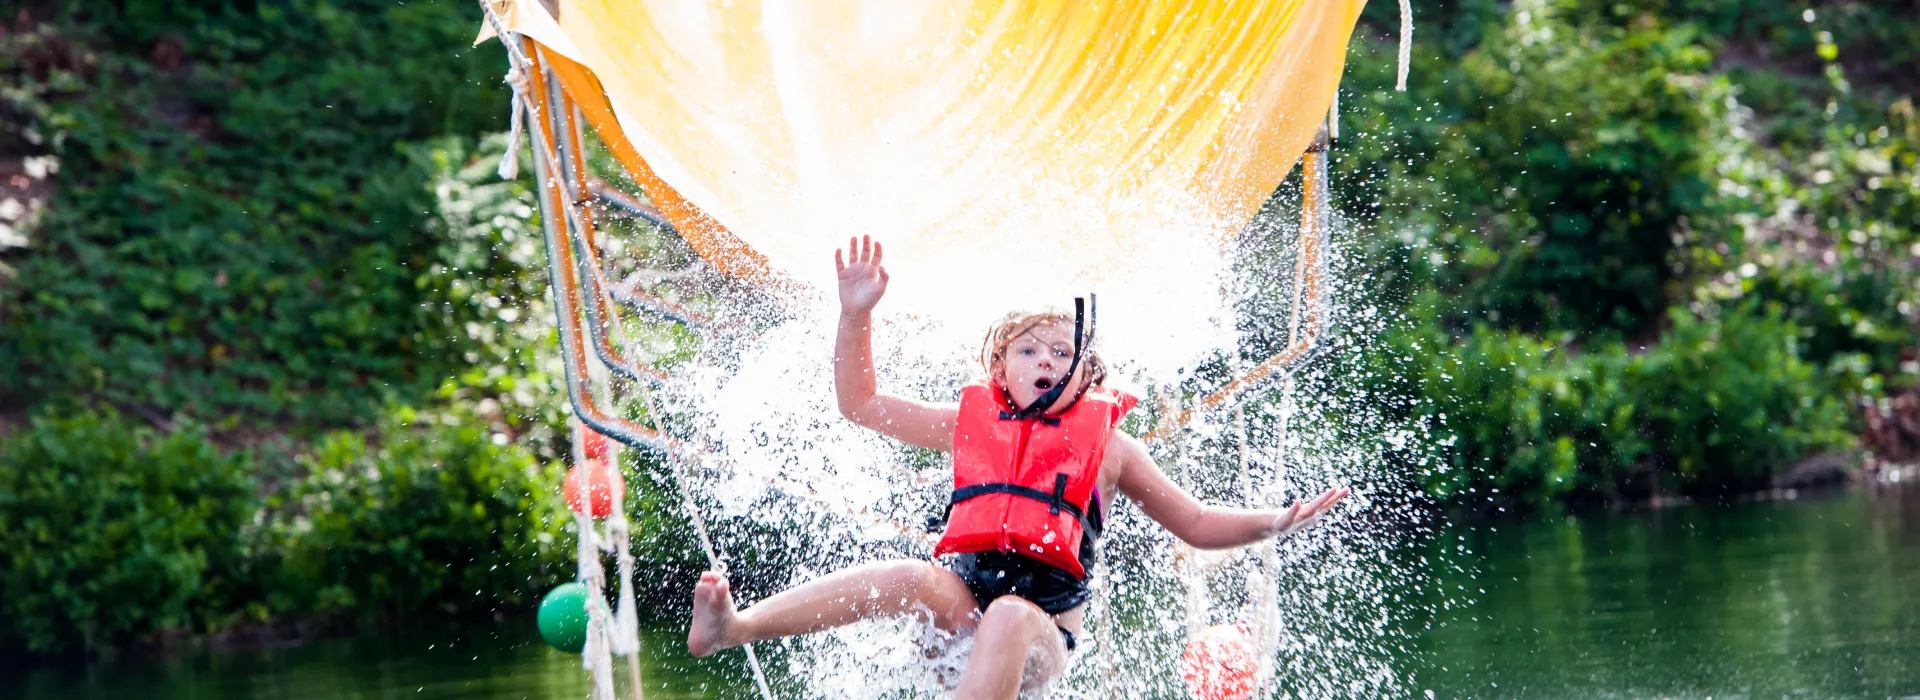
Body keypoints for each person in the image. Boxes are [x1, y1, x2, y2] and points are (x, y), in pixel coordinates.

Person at [687, 235, 1348, 699]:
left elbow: (1196, 524)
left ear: (1088, 374)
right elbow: (859, 404)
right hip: (960, 614)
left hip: (1040, 638)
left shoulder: (1113, 450)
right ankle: (737, 627)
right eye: (1029, 351)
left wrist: (1274, 521)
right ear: (999, 370)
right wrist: (855, 315)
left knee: (1006, 613)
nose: (1045, 360)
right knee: (909, 575)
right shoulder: (968, 421)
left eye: (1062, 352)